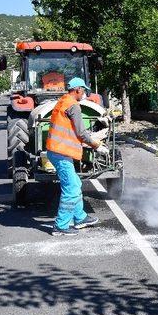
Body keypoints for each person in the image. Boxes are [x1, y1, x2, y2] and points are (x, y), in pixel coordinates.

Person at [46, 77, 109, 236]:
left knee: (75, 183)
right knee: (71, 189)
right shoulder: (74, 106)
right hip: (61, 152)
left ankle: (80, 218)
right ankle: (60, 226)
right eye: (84, 90)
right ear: (77, 89)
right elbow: (81, 133)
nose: (85, 94)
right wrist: (97, 146)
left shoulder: (63, 101)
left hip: (56, 151)